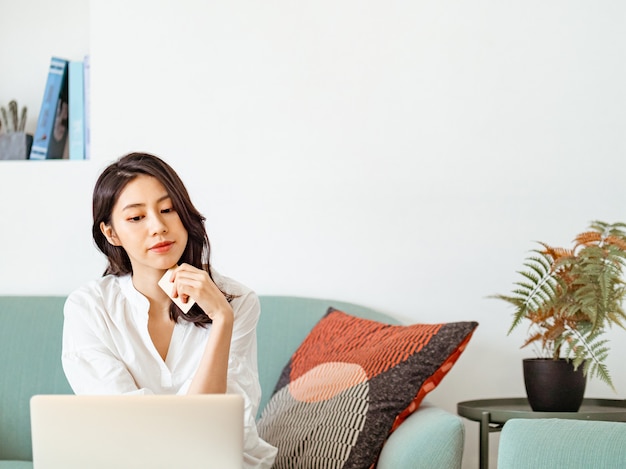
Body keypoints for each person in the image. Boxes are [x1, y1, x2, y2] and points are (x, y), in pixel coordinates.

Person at [62, 152, 277, 469]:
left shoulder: (236, 301)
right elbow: (122, 429)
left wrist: (221, 320)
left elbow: (214, 429)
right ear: (111, 233)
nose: (159, 227)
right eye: (137, 218)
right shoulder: (90, 308)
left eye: (168, 209)